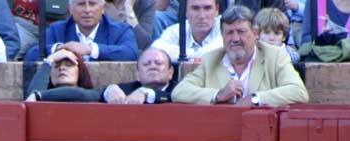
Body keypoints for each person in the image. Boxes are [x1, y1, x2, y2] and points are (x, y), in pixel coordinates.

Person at [171, 5, 309, 105]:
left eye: (241, 31)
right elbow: (179, 92)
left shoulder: (275, 56)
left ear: (255, 34)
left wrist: (255, 99)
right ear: (222, 36)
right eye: (229, 33)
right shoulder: (211, 59)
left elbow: (298, 91)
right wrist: (218, 95)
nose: (235, 38)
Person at [25, 0, 139, 61]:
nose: (87, 10)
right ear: (70, 9)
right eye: (81, 4)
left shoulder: (120, 30)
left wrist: (90, 49)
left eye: (92, 4)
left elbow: (131, 53)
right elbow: (32, 54)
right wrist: (59, 48)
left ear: (103, 8)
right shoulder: (57, 29)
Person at [151, 0, 223, 62]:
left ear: (217, 10)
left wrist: (185, 55)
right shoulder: (177, 29)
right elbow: (156, 48)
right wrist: (194, 54)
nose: (202, 16)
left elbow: (216, 51)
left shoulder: (226, 26)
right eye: (195, 8)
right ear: (185, 11)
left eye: (207, 8)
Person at [102, 46, 175, 104]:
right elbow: (98, 93)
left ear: (170, 72)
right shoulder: (130, 89)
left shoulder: (178, 90)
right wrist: (110, 90)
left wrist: (147, 93)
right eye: (146, 64)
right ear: (138, 74)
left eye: (158, 63)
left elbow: (171, 97)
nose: (153, 67)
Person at [25, 47, 100, 101]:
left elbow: (79, 94)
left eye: (69, 65)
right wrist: (49, 61)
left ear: (80, 72)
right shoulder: (39, 95)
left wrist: (40, 95)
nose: (62, 68)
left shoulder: (92, 94)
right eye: (56, 66)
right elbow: (31, 99)